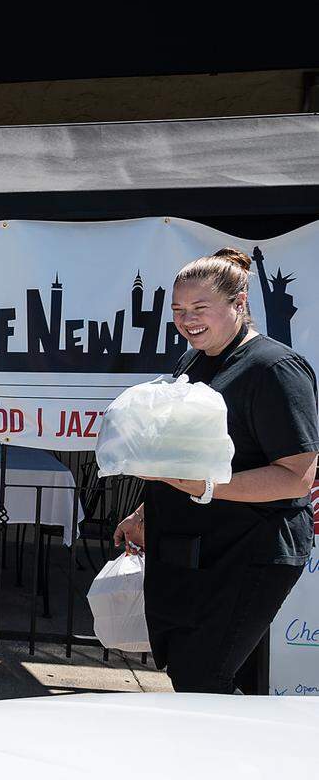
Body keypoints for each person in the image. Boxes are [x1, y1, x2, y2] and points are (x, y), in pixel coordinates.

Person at [114, 247, 318, 694]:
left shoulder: (275, 369)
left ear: (238, 304)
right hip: (189, 548)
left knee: (203, 675)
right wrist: (145, 514)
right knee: (192, 668)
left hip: (249, 551)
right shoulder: (192, 359)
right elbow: (180, 453)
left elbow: (296, 476)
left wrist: (208, 486)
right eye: (179, 310)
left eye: (199, 308)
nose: (187, 320)